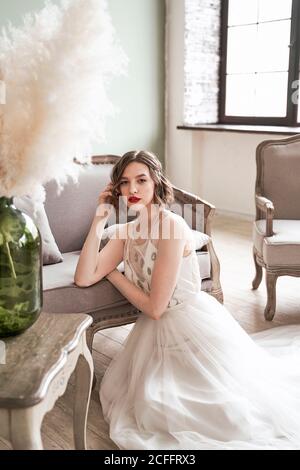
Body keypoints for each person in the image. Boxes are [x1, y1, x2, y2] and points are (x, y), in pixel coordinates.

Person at [75, 150, 300, 450]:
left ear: (156, 182)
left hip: (190, 328)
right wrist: (99, 219)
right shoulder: (127, 231)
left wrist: (114, 275)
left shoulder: (172, 227)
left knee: (212, 413)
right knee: (149, 404)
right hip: (153, 338)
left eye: (141, 180)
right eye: (125, 183)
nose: (132, 190)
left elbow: (156, 308)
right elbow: (84, 277)